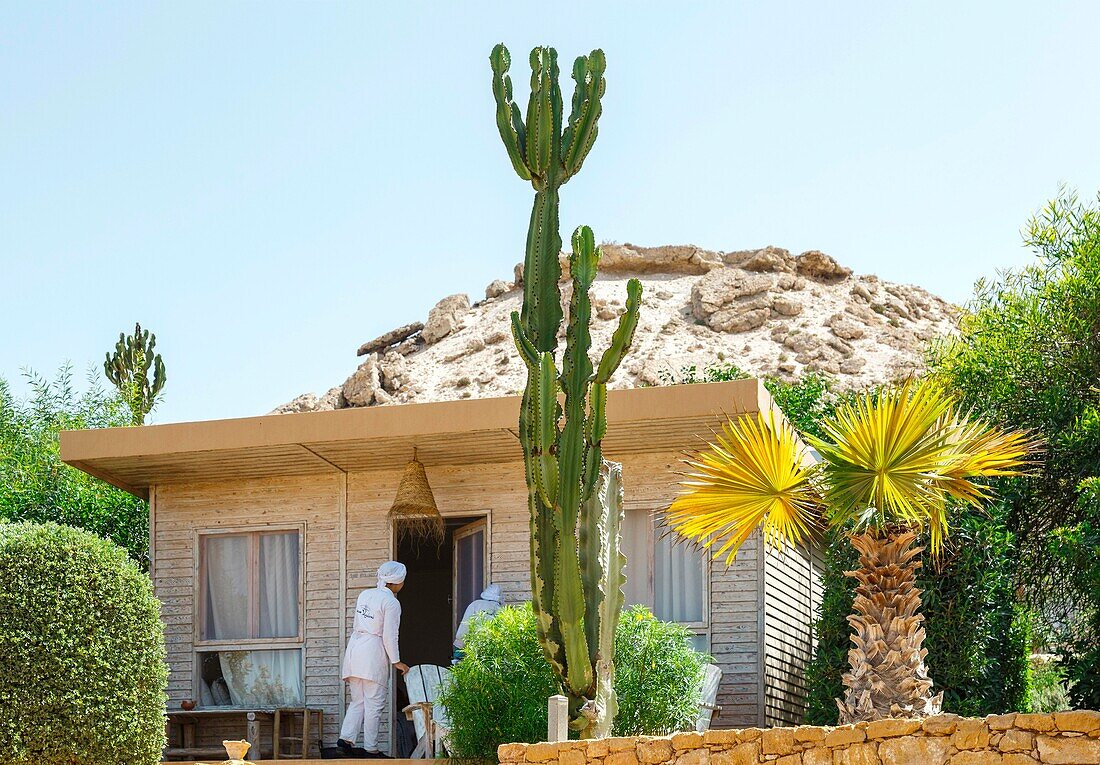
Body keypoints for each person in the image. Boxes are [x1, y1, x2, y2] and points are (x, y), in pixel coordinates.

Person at [337, 561, 410, 758]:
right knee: (374, 703)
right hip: (372, 653)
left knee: (358, 701)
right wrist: (396, 661)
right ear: (397, 582)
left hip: (355, 649)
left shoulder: (365, 595)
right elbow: (389, 635)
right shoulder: (391, 602)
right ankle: (371, 748)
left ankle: (345, 740)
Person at [452, 583, 503, 661]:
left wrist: (458, 650)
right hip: (492, 652)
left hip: (472, 648)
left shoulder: (475, 605)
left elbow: (465, 627)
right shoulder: (501, 611)